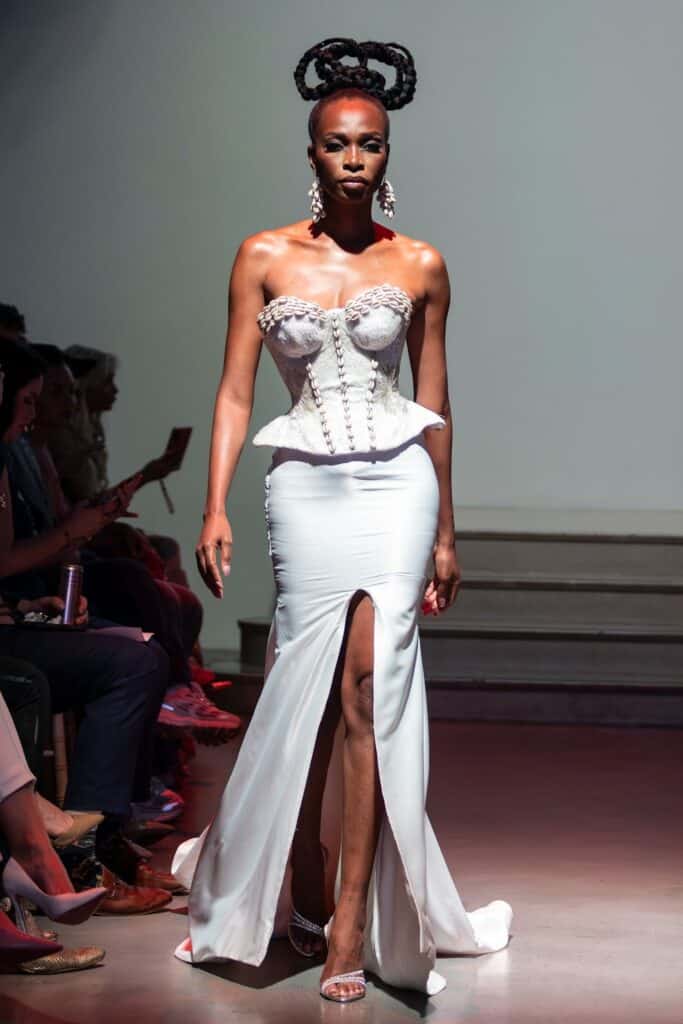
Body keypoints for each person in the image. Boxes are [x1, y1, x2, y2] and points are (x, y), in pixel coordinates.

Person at [172, 38, 512, 1002]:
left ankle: (350, 931)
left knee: (371, 693)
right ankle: (301, 884)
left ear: (386, 155)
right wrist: (213, 503)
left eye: (368, 143)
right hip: (304, 489)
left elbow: (437, 402)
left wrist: (447, 528)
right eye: (336, 143)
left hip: (396, 485)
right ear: (312, 153)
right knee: (301, 695)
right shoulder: (262, 255)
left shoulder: (420, 263)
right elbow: (235, 392)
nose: (354, 157)